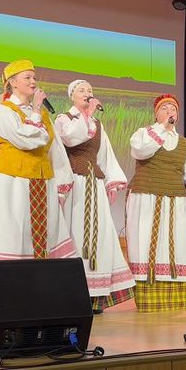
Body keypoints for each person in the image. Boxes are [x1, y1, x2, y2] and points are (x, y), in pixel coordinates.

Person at [0, 60, 76, 309]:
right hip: (11, 180)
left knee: (43, 232)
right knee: (12, 231)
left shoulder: (40, 114)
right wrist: (37, 110)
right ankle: (8, 292)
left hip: (40, 179)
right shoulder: (5, 110)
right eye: (27, 77)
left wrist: (61, 180)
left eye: (34, 77)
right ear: (12, 83)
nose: (33, 81)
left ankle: (40, 290)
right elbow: (28, 140)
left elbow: (53, 147)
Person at [126, 94, 186, 312]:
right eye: (164, 108)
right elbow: (140, 150)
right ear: (156, 113)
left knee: (174, 244)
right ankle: (148, 298)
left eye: (173, 109)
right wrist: (161, 130)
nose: (170, 112)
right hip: (146, 197)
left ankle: (178, 297)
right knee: (147, 242)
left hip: (175, 199)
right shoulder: (145, 133)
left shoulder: (182, 143)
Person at [55, 79, 134, 314]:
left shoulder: (97, 124)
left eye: (90, 90)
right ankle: (72, 294)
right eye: (81, 90)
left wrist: (111, 181)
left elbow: (105, 154)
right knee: (76, 233)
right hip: (75, 183)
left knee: (98, 235)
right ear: (72, 96)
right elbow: (71, 138)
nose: (87, 93)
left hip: (94, 183)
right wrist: (86, 115)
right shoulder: (64, 119)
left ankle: (96, 295)